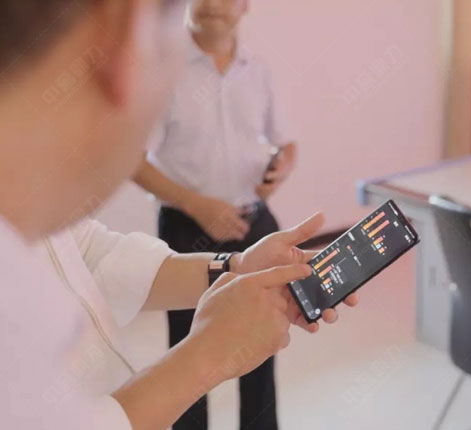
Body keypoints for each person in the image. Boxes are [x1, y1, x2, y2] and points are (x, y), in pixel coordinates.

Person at [0, 1, 357, 428]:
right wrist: (203, 358)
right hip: (186, 226)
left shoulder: (39, 227)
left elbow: (93, 254)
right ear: (127, 38)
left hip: (250, 225)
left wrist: (235, 267)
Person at [134, 1, 296, 428]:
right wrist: (196, 205)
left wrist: (281, 167)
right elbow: (133, 161)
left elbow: (286, 143)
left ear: (244, 6)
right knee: (189, 352)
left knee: (261, 342)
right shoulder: (162, 71)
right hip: (186, 230)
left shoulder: (259, 70)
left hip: (254, 225)